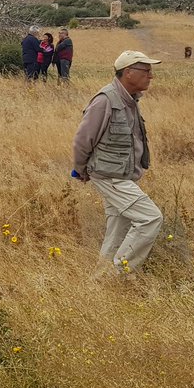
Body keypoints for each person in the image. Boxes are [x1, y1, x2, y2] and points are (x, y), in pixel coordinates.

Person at [73, 51, 164, 276]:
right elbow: (83, 139)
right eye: (146, 71)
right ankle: (117, 275)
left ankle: (100, 280)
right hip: (109, 175)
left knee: (118, 228)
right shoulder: (105, 100)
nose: (151, 76)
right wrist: (80, 169)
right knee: (150, 219)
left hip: (120, 174)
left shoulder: (131, 100)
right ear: (129, 73)